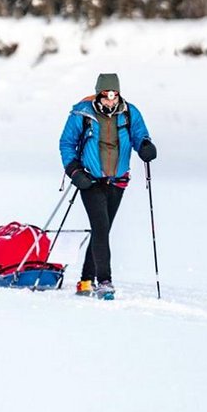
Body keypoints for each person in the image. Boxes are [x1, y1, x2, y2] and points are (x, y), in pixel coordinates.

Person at [58, 73, 157, 299]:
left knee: (101, 230)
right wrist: (74, 170)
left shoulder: (130, 112)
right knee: (101, 228)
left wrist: (145, 146)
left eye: (114, 96)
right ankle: (105, 282)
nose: (110, 101)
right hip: (90, 180)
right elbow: (66, 143)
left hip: (117, 181)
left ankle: (85, 280)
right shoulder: (82, 114)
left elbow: (140, 135)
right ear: (98, 95)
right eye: (106, 96)